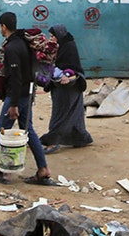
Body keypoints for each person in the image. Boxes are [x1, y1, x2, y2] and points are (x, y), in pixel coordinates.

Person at [0, 11, 54, 185]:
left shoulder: (12, 48)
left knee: (1, 131)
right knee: (27, 130)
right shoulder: (24, 42)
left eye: (0, 26)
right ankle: (43, 169)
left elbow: (15, 77)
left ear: (3, 26)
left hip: (18, 95)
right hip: (28, 92)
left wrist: (14, 104)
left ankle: (5, 173)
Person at [40, 24, 93, 153]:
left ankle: (53, 141)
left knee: (61, 114)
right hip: (66, 87)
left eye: (53, 36)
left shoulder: (68, 47)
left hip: (68, 87)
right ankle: (81, 138)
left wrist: (66, 75)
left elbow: (71, 67)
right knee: (75, 114)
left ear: (59, 36)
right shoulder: (61, 46)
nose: (51, 38)